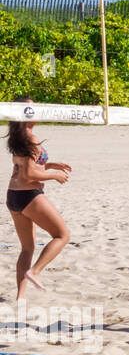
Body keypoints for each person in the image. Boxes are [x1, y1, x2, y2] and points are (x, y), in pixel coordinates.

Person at [7, 100, 71, 300]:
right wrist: (54, 176)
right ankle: (35, 271)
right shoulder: (30, 139)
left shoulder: (19, 137)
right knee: (62, 236)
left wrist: (49, 165)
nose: (36, 110)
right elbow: (27, 176)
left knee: (27, 248)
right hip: (28, 195)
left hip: (14, 196)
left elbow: (26, 168)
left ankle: (21, 297)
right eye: (31, 107)